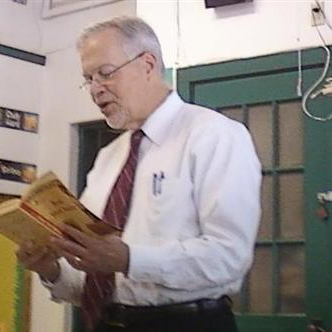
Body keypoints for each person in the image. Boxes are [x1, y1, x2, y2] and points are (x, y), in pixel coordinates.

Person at [16, 16, 261, 332]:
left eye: (105, 74)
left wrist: (130, 259)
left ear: (147, 64)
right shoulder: (108, 158)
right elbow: (91, 285)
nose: (95, 90)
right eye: (88, 79)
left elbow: (230, 256)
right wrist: (51, 270)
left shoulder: (214, 136)